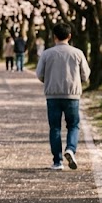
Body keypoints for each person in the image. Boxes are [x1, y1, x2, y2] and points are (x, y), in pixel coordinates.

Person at [36, 23, 91, 170]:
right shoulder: (77, 53)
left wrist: (48, 81)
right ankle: (71, 149)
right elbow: (86, 74)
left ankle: (57, 161)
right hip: (72, 95)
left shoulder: (47, 54)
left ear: (54, 37)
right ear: (69, 36)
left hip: (52, 96)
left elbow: (39, 74)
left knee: (55, 128)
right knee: (73, 125)